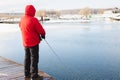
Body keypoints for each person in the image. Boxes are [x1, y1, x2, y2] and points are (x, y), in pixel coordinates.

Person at [19, 5, 46, 80]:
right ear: (32, 11)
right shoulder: (33, 20)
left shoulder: (22, 19)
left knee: (27, 58)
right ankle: (34, 76)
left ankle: (26, 74)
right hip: (33, 43)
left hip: (25, 42)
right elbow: (41, 30)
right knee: (34, 58)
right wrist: (43, 35)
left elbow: (21, 27)